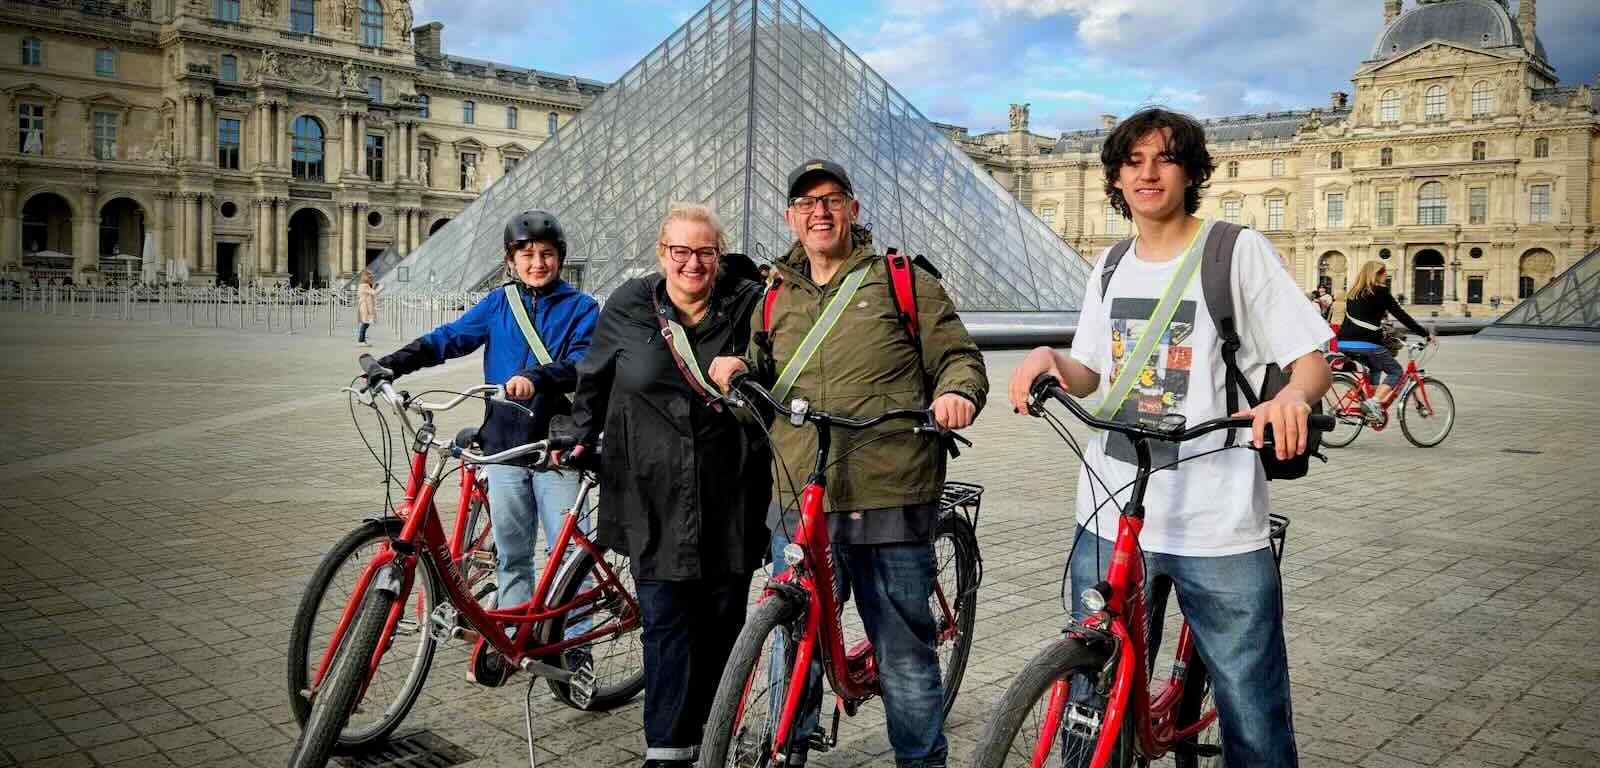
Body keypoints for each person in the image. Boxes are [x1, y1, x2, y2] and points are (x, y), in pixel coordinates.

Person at [1006, 107, 1331, 767]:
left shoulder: (1235, 251)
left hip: (1218, 520)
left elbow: (1313, 358)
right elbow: (1093, 372)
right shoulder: (1110, 264)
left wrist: (1293, 396)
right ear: (1117, 179)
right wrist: (1049, 360)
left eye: (1164, 158)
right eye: (1133, 161)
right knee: (1088, 701)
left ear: (1191, 172)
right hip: (1109, 511)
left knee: (1252, 709)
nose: (1147, 173)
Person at [708, 160, 987, 768]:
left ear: (853, 210)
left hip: (888, 489)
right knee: (791, 636)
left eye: (832, 199)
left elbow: (958, 354)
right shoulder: (773, 294)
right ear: (791, 217)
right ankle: (788, 744)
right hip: (800, 492)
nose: (820, 212)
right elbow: (761, 374)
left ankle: (920, 759)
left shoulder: (900, 280)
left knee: (902, 651)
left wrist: (957, 393)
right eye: (807, 203)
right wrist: (736, 374)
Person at [565, 204, 770, 768]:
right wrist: (578, 436)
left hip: (729, 491)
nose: (692, 263)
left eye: (704, 252)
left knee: (724, 622)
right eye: (680, 251)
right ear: (662, 253)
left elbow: (779, 372)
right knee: (664, 626)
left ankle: (711, 731)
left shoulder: (751, 306)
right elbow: (594, 378)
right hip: (651, 494)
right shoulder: (629, 304)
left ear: (719, 255)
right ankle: (666, 750)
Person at [373, 209, 599, 685]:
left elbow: (584, 363)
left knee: (569, 556)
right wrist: (394, 364)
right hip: (503, 449)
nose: (537, 263)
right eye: (527, 255)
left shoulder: (582, 308)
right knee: (514, 555)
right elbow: (450, 339)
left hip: (554, 449)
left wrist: (536, 378)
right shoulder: (500, 304)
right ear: (511, 260)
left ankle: (574, 647)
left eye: (547, 254)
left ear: (560, 258)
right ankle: (513, 639)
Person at [1335, 261, 1435, 420]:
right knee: (1396, 371)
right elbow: (1401, 316)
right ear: (1376, 274)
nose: (1387, 275)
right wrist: (1424, 334)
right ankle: (1373, 402)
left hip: (1344, 343)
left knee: (1375, 367)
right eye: (1384, 272)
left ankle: (1370, 408)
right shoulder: (1380, 291)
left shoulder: (1353, 292)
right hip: (1367, 343)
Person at [356, 269, 382, 346]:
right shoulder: (365, 285)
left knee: (365, 323)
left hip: (364, 304)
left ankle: (362, 339)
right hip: (365, 305)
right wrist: (380, 287)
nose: (372, 278)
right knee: (365, 323)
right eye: (370, 277)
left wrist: (373, 287)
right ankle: (361, 340)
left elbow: (370, 292)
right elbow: (374, 293)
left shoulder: (362, 285)